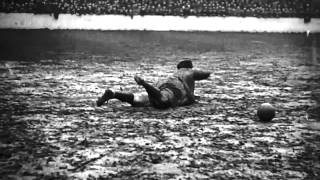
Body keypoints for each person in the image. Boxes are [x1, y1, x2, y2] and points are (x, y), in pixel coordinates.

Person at [96, 60, 211, 109]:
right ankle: (144, 84)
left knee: (139, 100)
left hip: (162, 83)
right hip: (174, 87)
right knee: (164, 101)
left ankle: (114, 94)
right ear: (188, 67)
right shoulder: (187, 71)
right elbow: (205, 74)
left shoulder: (174, 74)